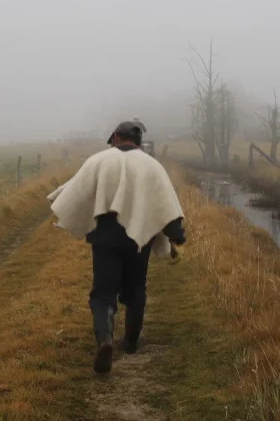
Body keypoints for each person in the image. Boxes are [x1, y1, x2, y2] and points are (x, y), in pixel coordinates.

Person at [47, 120, 186, 374]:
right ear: (138, 141)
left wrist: (60, 202)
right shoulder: (152, 166)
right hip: (138, 239)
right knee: (136, 288)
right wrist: (176, 236)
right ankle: (131, 343)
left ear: (115, 137)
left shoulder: (98, 161)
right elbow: (166, 203)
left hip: (105, 238)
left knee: (103, 293)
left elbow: (78, 190)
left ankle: (105, 340)